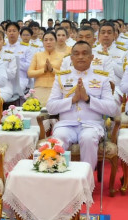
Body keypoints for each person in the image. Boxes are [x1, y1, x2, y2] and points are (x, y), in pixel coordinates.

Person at [46, 41, 118, 170]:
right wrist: (72, 100)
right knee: (59, 137)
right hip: (66, 125)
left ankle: (86, 181)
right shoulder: (61, 77)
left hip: (91, 125)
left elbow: (112, 109)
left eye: (85, 54)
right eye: (76, 54)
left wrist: (88, 99)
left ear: (92, 57)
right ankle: (56, 178)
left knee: (88, 138)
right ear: (71, 58)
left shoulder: (102, 78)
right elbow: (51, 107)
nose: (80, 57)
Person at [27, 31, 63, 106]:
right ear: (42, 42)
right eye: (46, 40)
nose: (48, 42)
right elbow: (30, 73)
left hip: (56, 88)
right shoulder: (37, 55)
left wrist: (52, 70)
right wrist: (43, 70)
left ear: (56, 41)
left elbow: (65, 74)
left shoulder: (62, 56)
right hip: (39, 87)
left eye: (51, 40)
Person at [4, 22, 33, 94]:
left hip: (21, 79)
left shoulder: (26, 48)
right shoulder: (2, 48)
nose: (11, 33)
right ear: (6, 33)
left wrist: (15, 63)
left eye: (14, 31)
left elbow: (30, 67)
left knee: (10, 91)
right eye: (9, 31)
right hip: (4, 78)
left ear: (19, 33)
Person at [0, 30, 19, 104]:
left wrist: (0, 70)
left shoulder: (10, 56)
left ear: (3, 41)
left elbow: (12, 75)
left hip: (5, 87)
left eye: (0, 39)